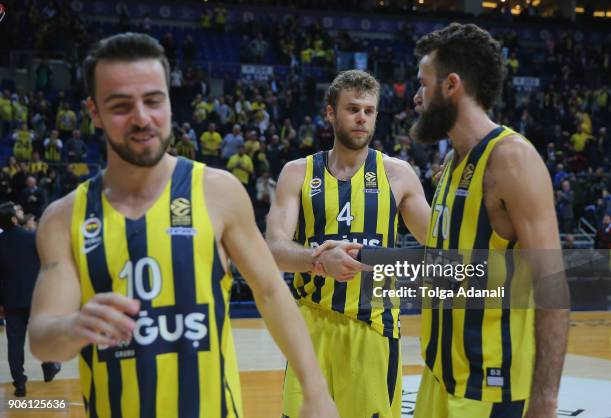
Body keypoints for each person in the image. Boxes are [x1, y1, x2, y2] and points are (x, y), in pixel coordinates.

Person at [28, 33, 338, 418]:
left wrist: (316, 390)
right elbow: (42, 338)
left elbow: (272, 292)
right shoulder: (62, 218)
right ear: (94, 111)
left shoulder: (218, 191)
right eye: (121, 105)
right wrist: (74, 326)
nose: (142, 118)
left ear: (170, 102)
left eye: (153, 101)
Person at [409, 23, 569, 418]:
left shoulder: (511, 159)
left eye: (422, 84)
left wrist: (545, 400)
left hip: (488, 391)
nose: (416, 98)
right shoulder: (452, 161)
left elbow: (553, 285)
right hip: (439, 377)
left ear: (451, 86)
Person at [266, 70, 431, 418]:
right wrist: (317, 259)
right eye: (352, 109)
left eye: (369, 111)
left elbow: (442, 248)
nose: (362, 118)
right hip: (311, 325)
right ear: (330, 113)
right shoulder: (297, 172)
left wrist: (449, 202)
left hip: (373, 327)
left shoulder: (398, 174)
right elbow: (275, 251)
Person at [0, 202, 61, 397]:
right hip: (36, 298)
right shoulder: (32, 238)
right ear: (13, 219)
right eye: (17, 212)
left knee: (14, 344)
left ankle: (19, 383)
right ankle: (49, 366)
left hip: (11, 300)